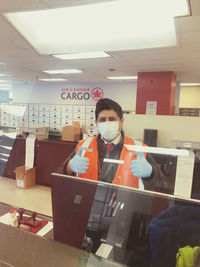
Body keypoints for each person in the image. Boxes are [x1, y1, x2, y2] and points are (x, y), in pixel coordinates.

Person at [57, 98, 167, 191]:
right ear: (96, 123)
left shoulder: (138, 148)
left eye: (112, 119)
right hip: (88, 206)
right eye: (102, 120)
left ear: (121, 121)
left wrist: (151, 173)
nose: (107, 123)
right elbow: (57, 176)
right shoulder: (83, 146)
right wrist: (69, 167)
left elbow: (163, 185)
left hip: (123, 210)